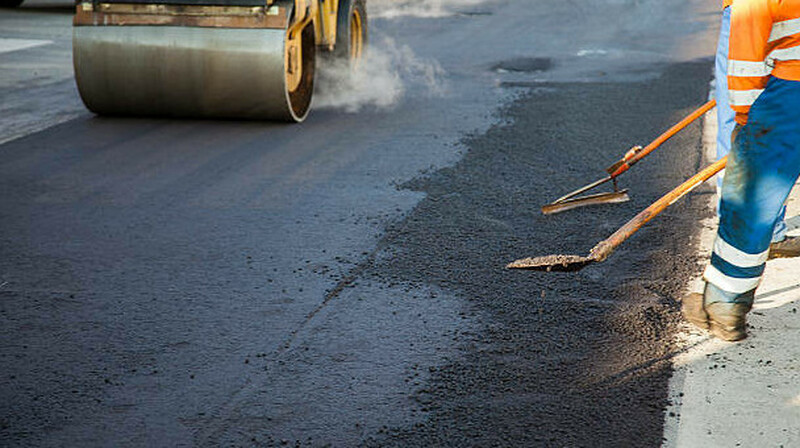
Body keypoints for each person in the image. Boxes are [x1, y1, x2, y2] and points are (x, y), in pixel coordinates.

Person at [683, 0, 800, 341]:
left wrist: (744, 119)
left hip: (793, 86)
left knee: (751, 195)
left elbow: (746, 60)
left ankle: (724, 304)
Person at [714, 0, 798, 257]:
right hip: (758, 12)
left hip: (769, 12)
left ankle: (754, 232)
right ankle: (746, 236)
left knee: (757, 123)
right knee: (748, 122)